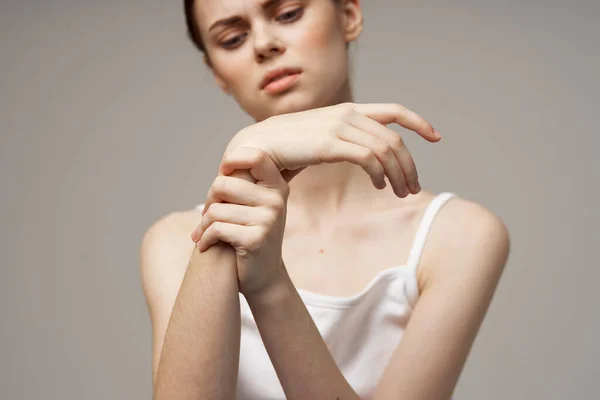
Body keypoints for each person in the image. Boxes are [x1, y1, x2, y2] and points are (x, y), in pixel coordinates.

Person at [140, 0, 511, 399]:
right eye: (233, 38)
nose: (264, 44)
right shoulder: (175, 242)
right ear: (218, 74)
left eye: (288, 14)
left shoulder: (459, 235)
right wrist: (246, 150)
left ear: (348, 15)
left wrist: (269, 287)